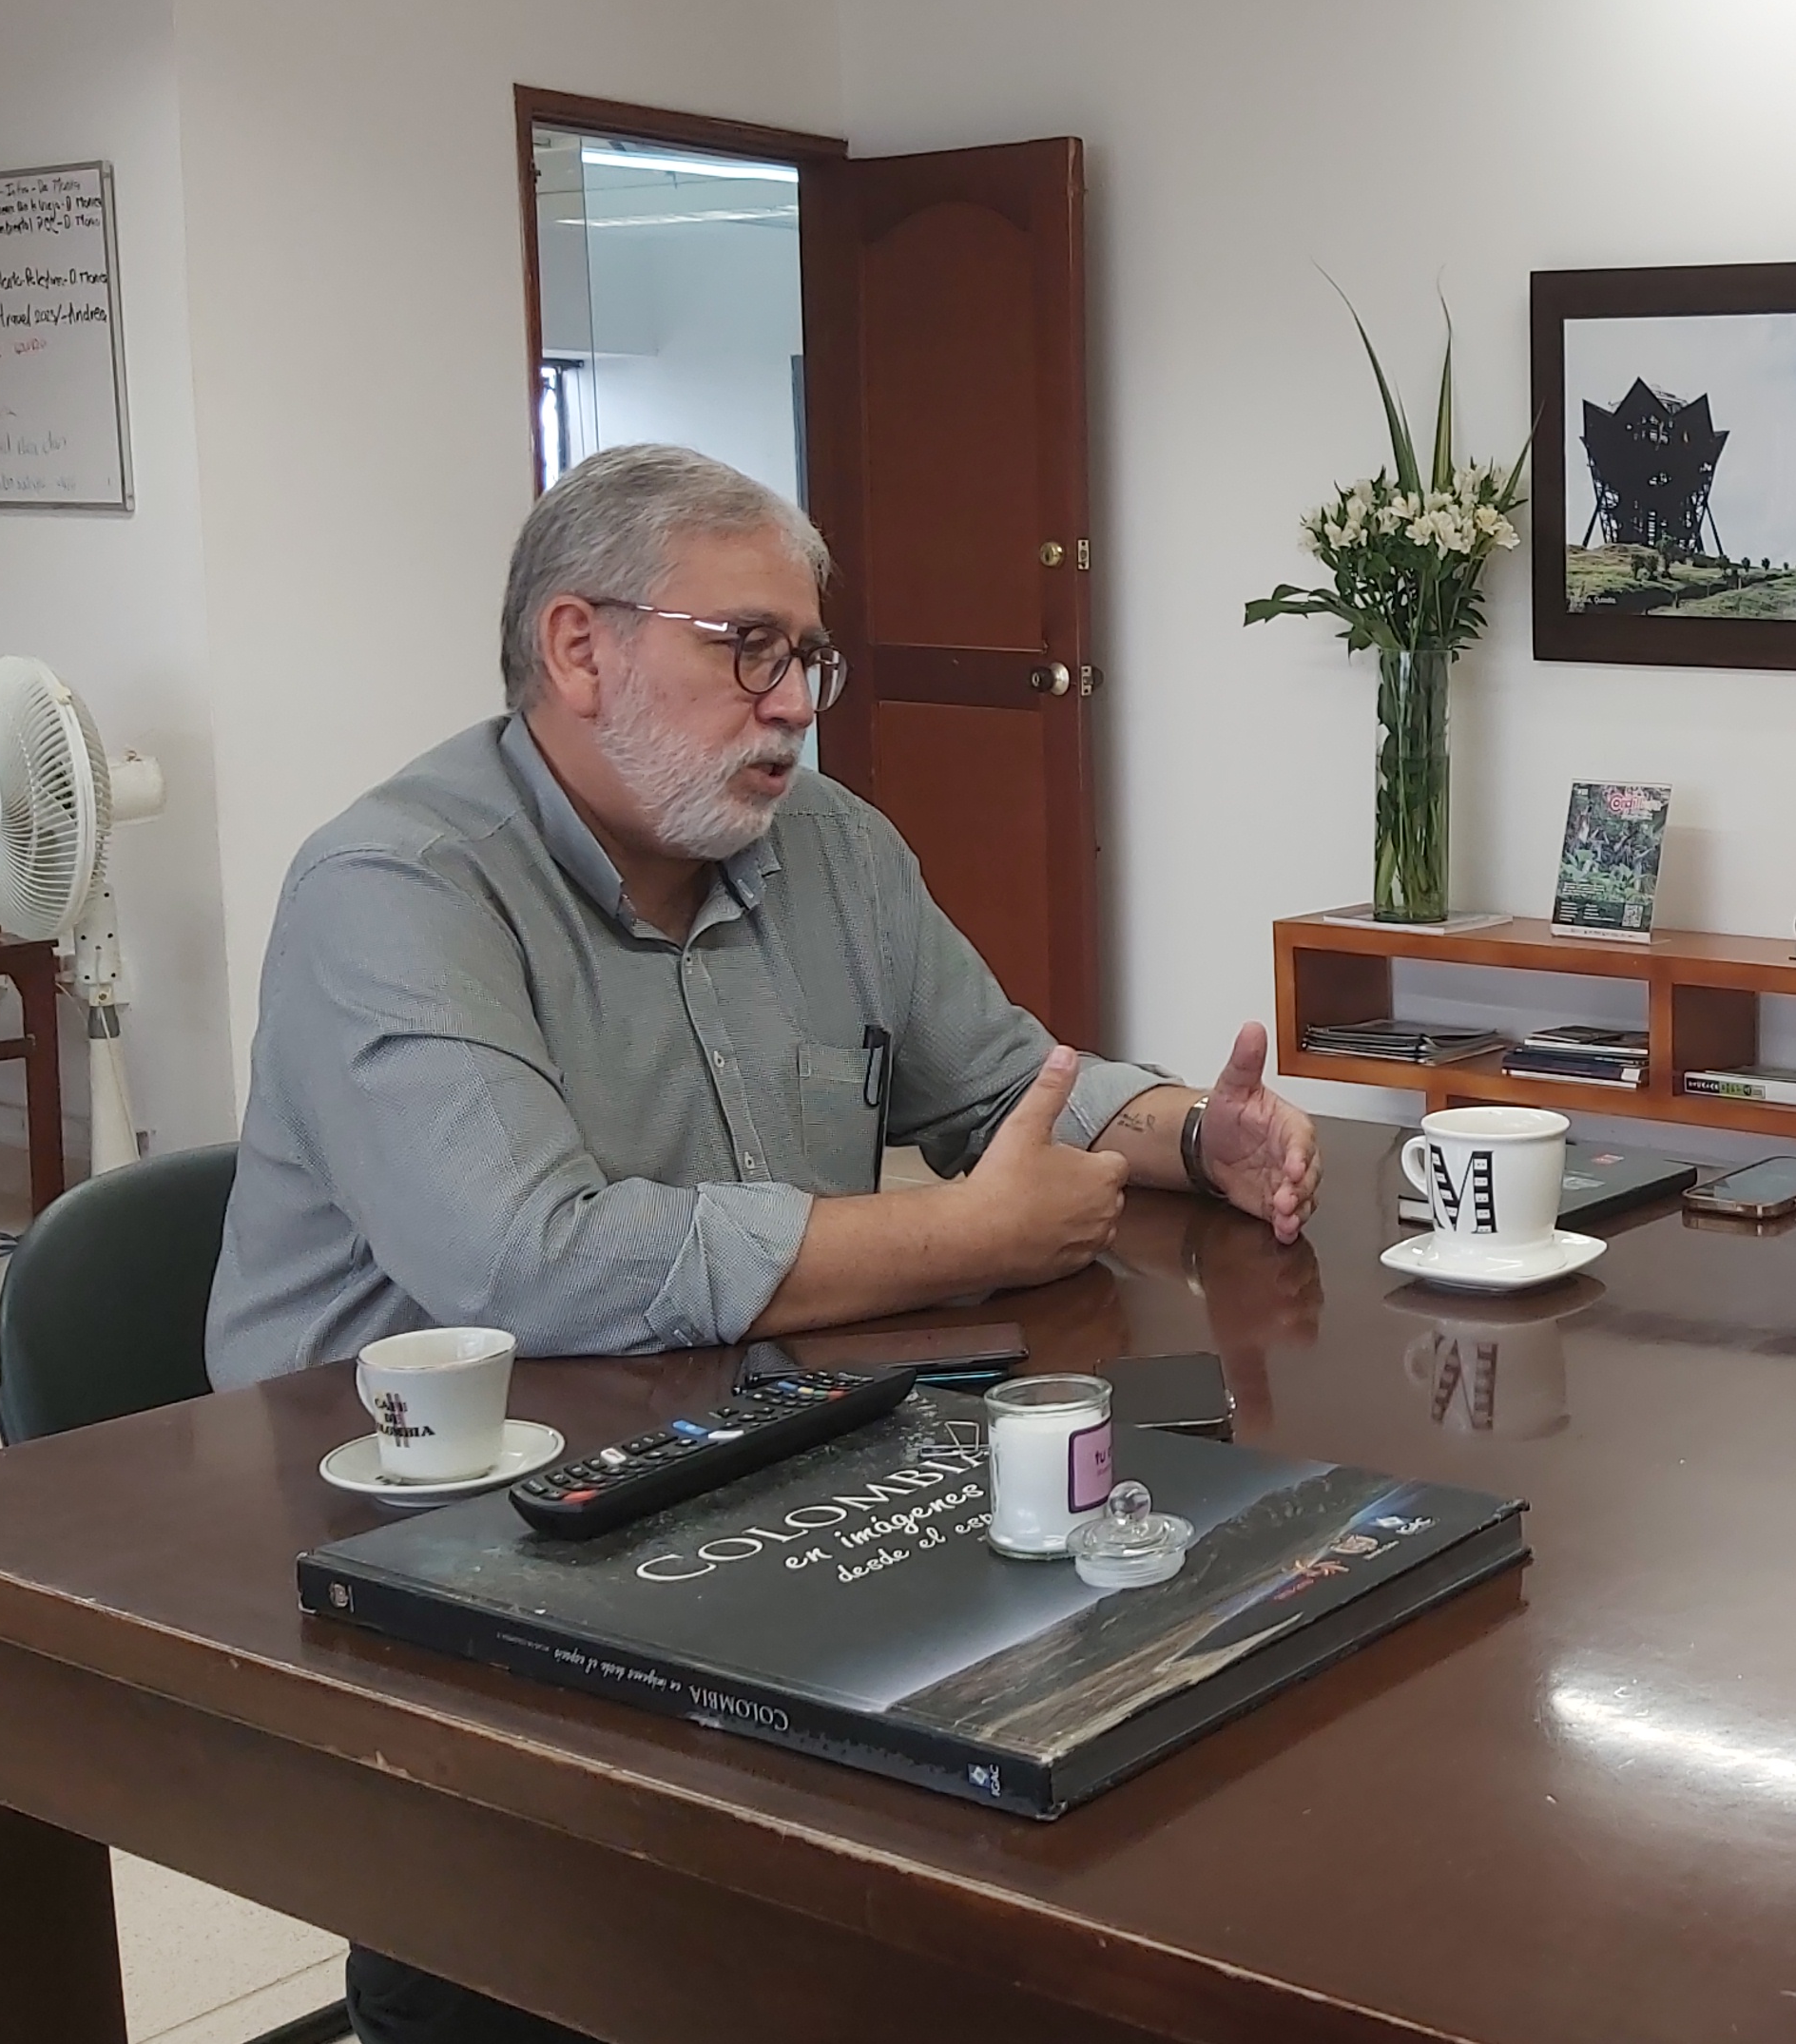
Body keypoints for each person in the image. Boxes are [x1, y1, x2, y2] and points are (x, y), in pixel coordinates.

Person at [205, 443, 1322, 2044]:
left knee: (1138, 1723)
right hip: (426, 1557)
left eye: (808, 657)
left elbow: (1010, 1081)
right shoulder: (398, 884)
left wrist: (1187, 1136)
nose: (795, 703)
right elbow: (530, 1260)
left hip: (748, 1486)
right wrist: (950, 1236)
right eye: (749, 649)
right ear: (578, 648)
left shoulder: (831, 847)